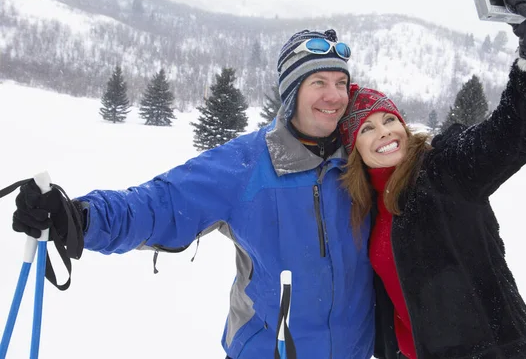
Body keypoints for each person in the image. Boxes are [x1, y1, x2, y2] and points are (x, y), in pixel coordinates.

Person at [11, 29, 377, 358]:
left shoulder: (363, 159)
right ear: (292, 91)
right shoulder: (247, 164)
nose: (334, 96)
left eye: (341, 82)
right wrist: (80, 217)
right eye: (319, 82)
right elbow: (161, 205)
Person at [338, 0, 526, 359]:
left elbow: (513, 133)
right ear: (353, 148)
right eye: (367, 128)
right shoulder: (364, 207)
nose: (385, 132)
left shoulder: (444, 170)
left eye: (390, 119)